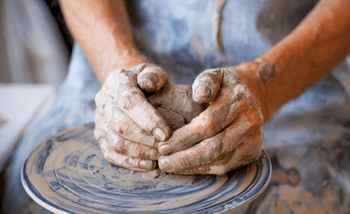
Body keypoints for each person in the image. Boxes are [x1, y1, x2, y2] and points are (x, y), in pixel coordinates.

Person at [4, 0, 350, 213]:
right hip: (115, 66)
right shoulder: (114, 76)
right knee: (28, 195)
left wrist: (266, 87)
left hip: (292, 74)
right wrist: (115, 67)